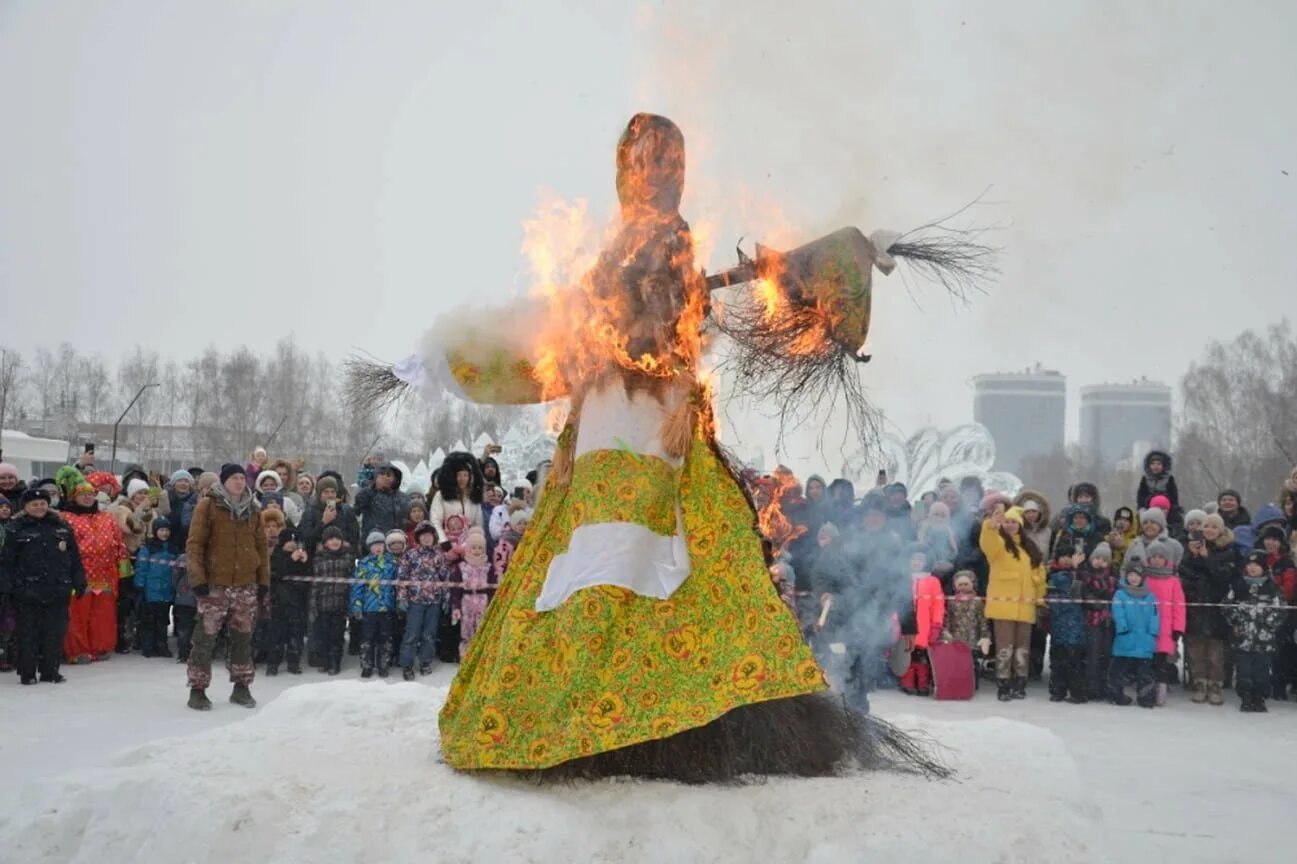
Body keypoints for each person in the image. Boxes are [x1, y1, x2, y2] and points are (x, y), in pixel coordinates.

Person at [184, 463, 270, 711]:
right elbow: (195, 544)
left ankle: (242, 687)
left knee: (243, 638)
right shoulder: (208, 506)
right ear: (223, 481)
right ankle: (198, 689)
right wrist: (198, 578)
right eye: (234, 478)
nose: (240, 482)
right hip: (215, 584)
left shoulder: (253, 509)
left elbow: (261, 548)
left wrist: (263, 580)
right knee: (205, 638)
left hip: (245, 584)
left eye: (242, 478)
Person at [1, 488, 87, 684]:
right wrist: (6, 588)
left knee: (54, 633)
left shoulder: (62, 527)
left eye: (43, 504)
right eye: (34, 504)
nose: (39, 507)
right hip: (26, 591)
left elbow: (74, 559)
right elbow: (6, 563)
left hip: (57, 589)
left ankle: (50, 671)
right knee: (28, 634)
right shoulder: (15, 529)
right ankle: (28, 672)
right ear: (26, 507)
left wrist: (79, 580)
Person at [55, 472, 129, 663]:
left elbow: (119, 543)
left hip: (105, 574)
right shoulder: (65, 518)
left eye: (91, 494)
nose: (87, 497)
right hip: (79, 575)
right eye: (83, 494)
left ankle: (100, 646)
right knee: (77, 615)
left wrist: (123, 568)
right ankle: (77, 650)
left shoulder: (107, 518)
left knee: (102, 615)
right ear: (74, 496)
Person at [979, 502, 1045, 701]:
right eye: (1006, 522)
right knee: (1004, 647)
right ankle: (1003, 683)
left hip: (1025, 607)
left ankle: (1020, 682)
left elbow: (1039, 575)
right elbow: (987, 541)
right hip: (1003, 607)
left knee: (1022, 647)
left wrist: (1039, 597)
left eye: (1013, 522)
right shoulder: (999, 546)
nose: (1009, 525)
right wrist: (991, 525)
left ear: (1020, 525)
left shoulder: (1029, 549)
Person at [1179, 513, 1236, 705]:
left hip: (1217, 608)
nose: (1210, 530)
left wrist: (1207, 558)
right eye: (1207, 526)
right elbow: (1185, 574)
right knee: (1196, 649)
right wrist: (1194, 556)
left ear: (1221, 530)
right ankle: (1199, 683)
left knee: (1215, 652)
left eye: (1214, 526)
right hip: (1196, 606)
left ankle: (1215, 685)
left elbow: (1224, 578)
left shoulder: (1228, 551)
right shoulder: (1191, 549)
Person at [1224, 550, 1285, 712]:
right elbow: (1226, 606)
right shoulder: (1238, 586)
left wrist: (1268, 623)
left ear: (1263, 568)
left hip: (1264, 640)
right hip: (1242, 638)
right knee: (1243, 671)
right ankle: (1245, 696)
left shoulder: (1271, 587)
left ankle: (1259, 697)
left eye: (1256, 565)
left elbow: (1281, 610)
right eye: (1249, 565)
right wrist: (1237, 621)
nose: (1252, 568)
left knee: (1262, 671)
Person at [397, 521, 451, 679]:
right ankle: (407, 665)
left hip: (434, 601)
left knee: (429, 634)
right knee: (412, 634)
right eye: (423, 536)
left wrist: (446, 597)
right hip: (415, 601)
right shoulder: (410, 555)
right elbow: (402, 577)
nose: (427, 539)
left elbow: (445, 578)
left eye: (429, 536)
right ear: (418, 538)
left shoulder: (439, 555)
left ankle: (425, 662)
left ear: (434, 537)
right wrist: (401, 597)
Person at [1137, 538, 1186, 706]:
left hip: (1165, 630)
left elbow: (1179, 606)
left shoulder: (1173, 581)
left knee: (1161, 663)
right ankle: (1146, 692)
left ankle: (1161, 693)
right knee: (1146, 663)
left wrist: (1178, 628)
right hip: (1145, 628)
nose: (1157, 559)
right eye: (1154, 556)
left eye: (1160, 556)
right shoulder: (1144, 579)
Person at [1108, 564, 1159, 707]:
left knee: (1145, 672)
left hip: (1145, 640)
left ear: (1142, 577)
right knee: (1118, 669)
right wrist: (1122, 628)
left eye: (1136, 575)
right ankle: (1116, 694)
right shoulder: (1120, 594)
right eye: (1130, 575)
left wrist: (1153, 631)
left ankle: (1146, 697)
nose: (1133, 578)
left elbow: (1155, 615)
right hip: (1125, 637)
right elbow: (1118, 612)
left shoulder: (1150, 596)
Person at [351, 530, 400, 678]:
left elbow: (397, 585)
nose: (378, 547)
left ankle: (383, 665)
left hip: (386, 607)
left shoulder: (392, 563)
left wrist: (397, 602)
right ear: (369, 547)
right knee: (367, 638)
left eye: (380, 544)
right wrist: (356, 606)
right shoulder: (364, 564)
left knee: (385, 638)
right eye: (374, 545)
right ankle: (367, 665)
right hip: (369, 608)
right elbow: (357, 587)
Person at [1255, 523, 1296, 700]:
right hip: (1260, 610)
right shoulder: (1257, 559)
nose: (1270, 543)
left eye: (1274, 540)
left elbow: (1289, 588)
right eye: (1267, 539)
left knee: (1283, 650)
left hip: (1282, 612)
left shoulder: (1286, 562)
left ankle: (1281, 683)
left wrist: (1274, 596)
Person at [898, 546, 944, 696]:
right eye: (914, 559)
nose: (916, 562)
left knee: (922, 657)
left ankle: (923, 683)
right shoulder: (902, 578)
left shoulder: (933, 581)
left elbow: (938, 605)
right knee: (906, 656)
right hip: (904, 625)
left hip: (924, 627)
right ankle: (907, 682)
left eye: (920, 560)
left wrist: (937, 624)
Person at [1045, 546, 1088, 703]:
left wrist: (1077, 571)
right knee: (1057, 661)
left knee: (1074, 662)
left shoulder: (1081, 575)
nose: (1065, 559)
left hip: (1076, 626)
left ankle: (1077, 692)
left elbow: (1077, 595)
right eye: (1062, 556)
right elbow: (1050, 599)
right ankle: (1058, 691)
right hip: (1058, 625)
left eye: (1068, 556)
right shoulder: (1053, 577)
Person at [266, 527, 311, 676]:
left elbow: (308, 578)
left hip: (297, 604)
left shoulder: (302, 557)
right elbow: (276, 573)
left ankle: (294, 663)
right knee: (276, 635)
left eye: (294, 541)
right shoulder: (276, 556)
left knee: (296, 635)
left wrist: (305, 562)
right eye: (289, 541)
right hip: (279, 603)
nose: (292, 544)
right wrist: (291, 560)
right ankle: (273, 663)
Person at [1078, 542, 1119, 700]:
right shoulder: (1086, 575)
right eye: (1096, 558)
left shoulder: (1113, 578)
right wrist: (1098, 601)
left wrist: (1101, 599)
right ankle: (1091, 686)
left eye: (1103, 559)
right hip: (1092, 621)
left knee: (1106, 654)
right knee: (1092, 654)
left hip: (1108, 622)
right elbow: (1085, 596)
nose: (1099, 561)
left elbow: (1112, 595)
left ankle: (1104, 686)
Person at [312, 526, 354, 676]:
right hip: (323, 605)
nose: (334, 541)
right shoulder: (318, 560)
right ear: (325, 543)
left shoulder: (348, 559)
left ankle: (335, 661)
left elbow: (351, 584)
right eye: (331, 539)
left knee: (337, 635)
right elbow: (315, 585)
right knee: (323, 635)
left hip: (340, 605)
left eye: (337, 538)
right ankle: (324, 660)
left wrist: (351, 605)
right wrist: (313, 606)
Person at [134, 517, 178, 658]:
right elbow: (141, 568)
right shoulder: (148, 548)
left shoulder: (172, 549)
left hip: (166, 591)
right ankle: (148, 646)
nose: (164, 533)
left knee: (163, 621)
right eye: (161, 530)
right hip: (150, 591)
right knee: (149, 620)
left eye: (166, 530)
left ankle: (162, 645)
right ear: (155, 531)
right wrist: (140, 585)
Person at [450, 527, 495, 661]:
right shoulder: (461, 567)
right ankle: (465, 657)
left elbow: (493, 589)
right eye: (473, 548)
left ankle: (482, 657)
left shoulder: (489, 567)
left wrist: (492, 605)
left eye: (480, 548)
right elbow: (455, 590)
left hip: (483, 601)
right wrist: (456, 606)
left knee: (483, 630)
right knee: (466, 630)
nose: (477, 551)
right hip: (467, 601)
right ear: (468, 548)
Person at [428, 453, 484, 545]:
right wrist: (443, 540)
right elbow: (435, 520)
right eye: (459, 475)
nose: (462, 479)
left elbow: (478, 523)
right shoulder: (441, 495)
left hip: (469, 544)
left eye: (465, 475)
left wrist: (477, 540)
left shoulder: (473, 496)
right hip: (447, 543)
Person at [354, 462, 409, 545]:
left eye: (388, 475)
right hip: (372, 542)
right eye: (382, 474)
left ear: (395, 478)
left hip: (395, 543)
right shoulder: (368, 494)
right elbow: (357, 507)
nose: (385, 477)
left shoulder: (402, 498)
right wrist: (374, 488)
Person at [942, 569, 991, 663]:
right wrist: (946, 633)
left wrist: (985, 637)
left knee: (973, 663)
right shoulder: (952, 602)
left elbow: (983, 621)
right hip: (956, 640)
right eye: (960, 585)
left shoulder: (978, 602)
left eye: (966, 584)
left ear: (972, 585)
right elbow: (947, 619)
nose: (963, 587)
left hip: (973, 641)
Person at [1137, 450, 1181, 527]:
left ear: (1163, 466)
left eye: (1158, 464)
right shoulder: (1145, 479)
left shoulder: (1169, 479)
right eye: (1153, 464)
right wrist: (1144, 505)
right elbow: (1141, 495)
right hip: (1148, 507)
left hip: (1166, 507)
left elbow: (1174, 496)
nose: (1155, 466)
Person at [172, 547, 196, 664]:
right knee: (186, 628)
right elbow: (175, 577)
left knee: (191, 628)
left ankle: (189, 653)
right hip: (186, 599)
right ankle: (184, 653)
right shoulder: (183, 558)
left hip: (193, 598)